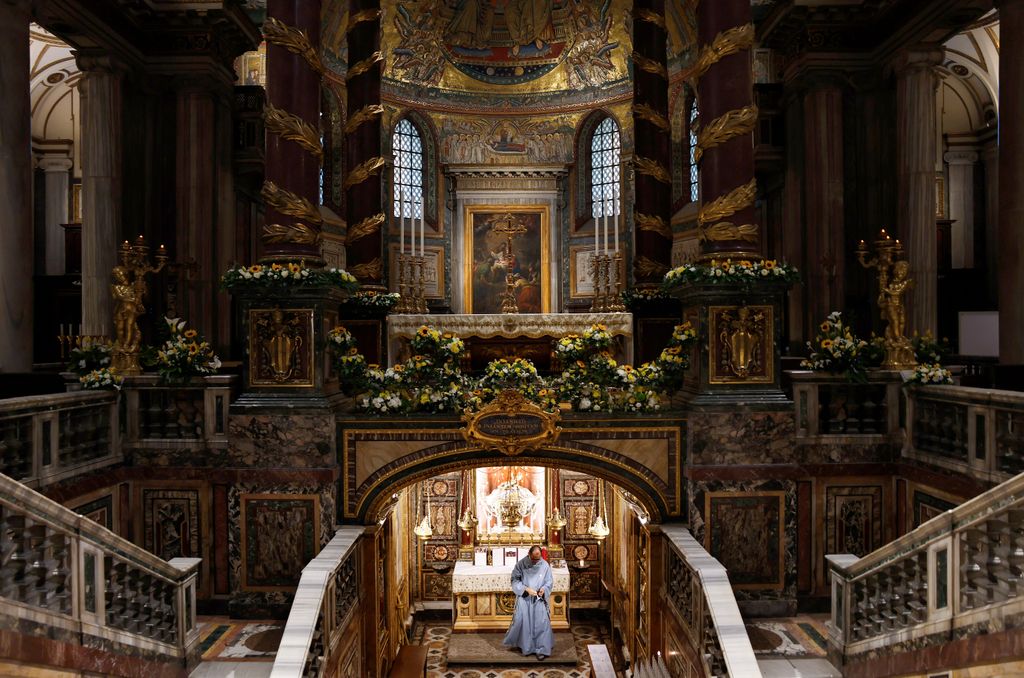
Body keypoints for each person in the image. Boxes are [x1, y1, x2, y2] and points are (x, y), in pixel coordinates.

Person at [503, 545, 554, 660]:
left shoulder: (545, 565)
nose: (536, 562)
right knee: (523, 622)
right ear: (529, 554)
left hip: (538, 599)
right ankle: (526, 647)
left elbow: (549, 582)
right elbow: (514, 580)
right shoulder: (521, 564)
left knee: (541, 623)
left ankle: (542, 649)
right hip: (525, 598)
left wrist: (543, 589)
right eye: (534, 559)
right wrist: (525, 589)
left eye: (538, 559)